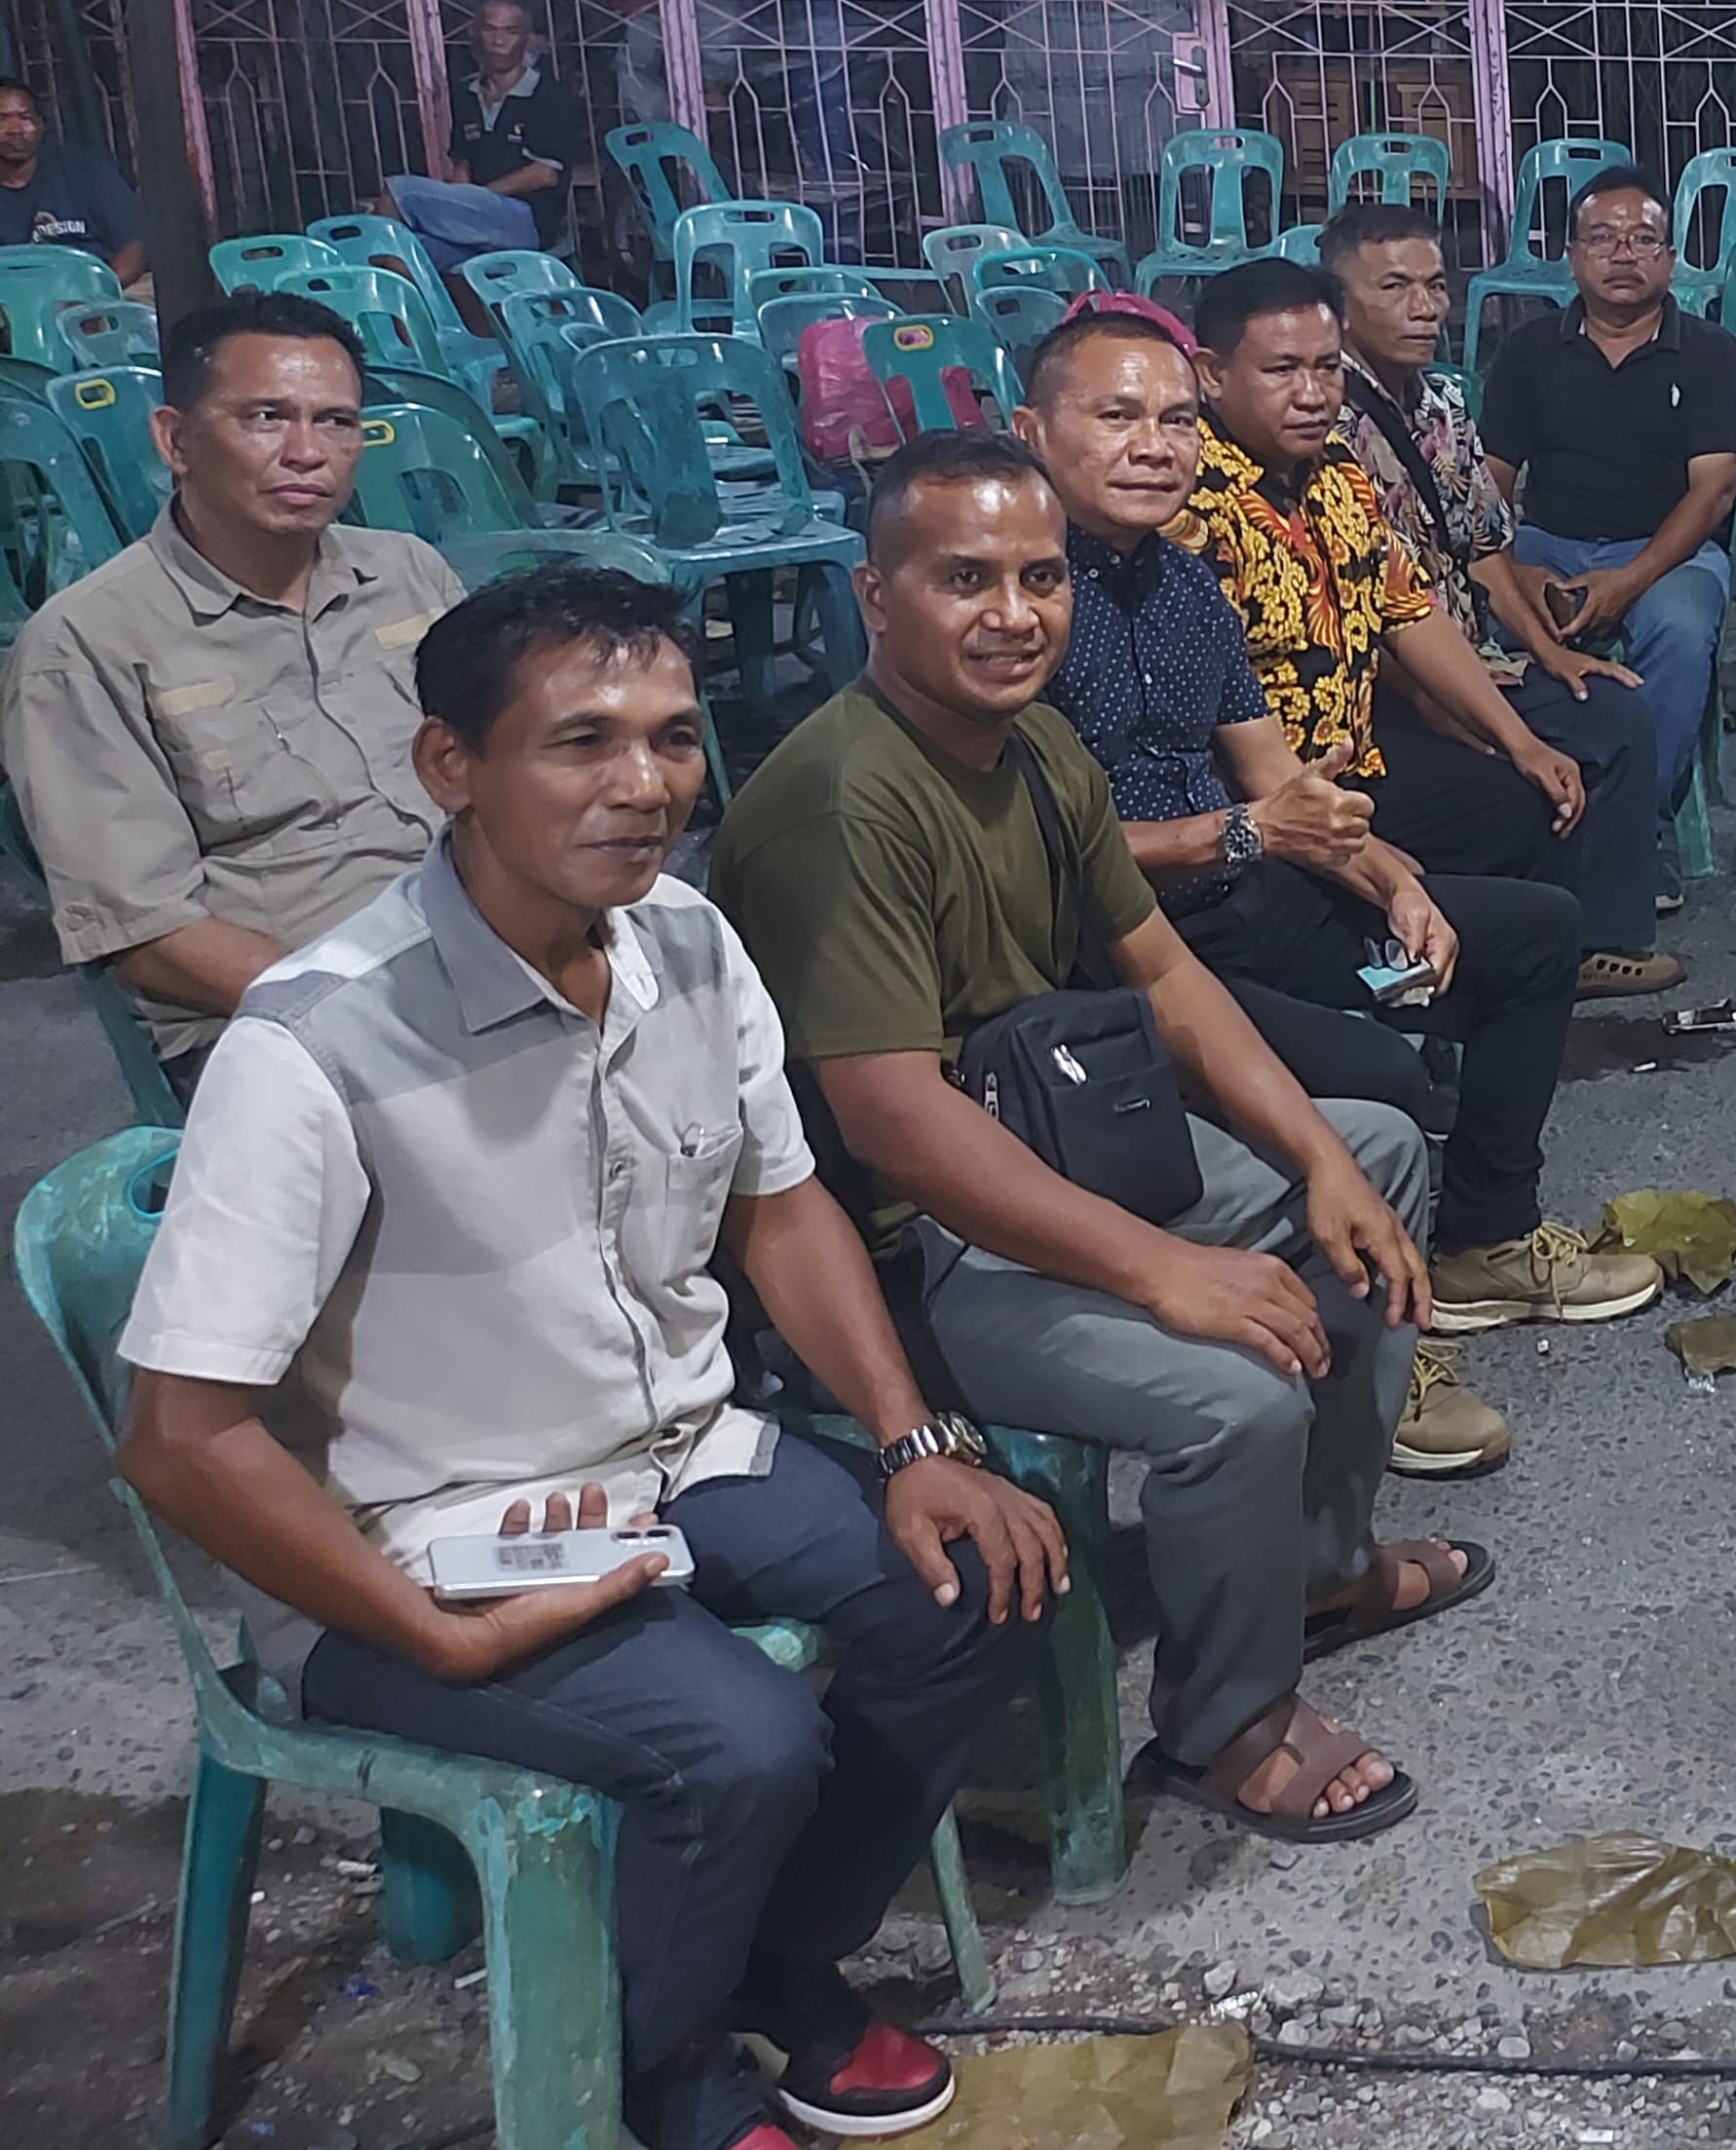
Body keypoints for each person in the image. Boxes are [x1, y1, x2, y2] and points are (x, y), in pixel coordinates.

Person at [114, 566, 1065, 2150]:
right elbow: (178, 1437)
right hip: (418, 1527)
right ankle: (656, 2062)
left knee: (979, 1583)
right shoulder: (315, 1040)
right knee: (737, 1743)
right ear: (451, 765)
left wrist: (914, 1440)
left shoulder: (686, 939)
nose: (645, 782)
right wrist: (430, 1631)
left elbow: (782, 1207)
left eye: (674, 735)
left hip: (675, 1451)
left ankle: (767, 1956)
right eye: (581, 741)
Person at [707, 435, 1469, 1850]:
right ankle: (1227, 1720)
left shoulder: (1035, 743)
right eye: (965, 580)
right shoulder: (841, 803)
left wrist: (1316, 1159)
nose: (1014, 614)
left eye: (1040, 578)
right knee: (1230, 1394)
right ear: (875, 596)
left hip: (1051, 1142)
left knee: (1373, 1146)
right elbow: (894, 1123)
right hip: (911, 1252)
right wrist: (1162, 1272)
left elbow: (1163, 972)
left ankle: (1315, 1565)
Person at [1016, 308, 1649, 1454]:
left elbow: (1276, 781)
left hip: (1240, 893)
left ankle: (1482, 1240)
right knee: (1377, 1078)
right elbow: (1045, 847)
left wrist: (1389, 878)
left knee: (1530, 933)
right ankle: (1367, 1365)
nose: (1153, 445)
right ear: (1032, 431)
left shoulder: (1183, 586)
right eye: (1115, 416)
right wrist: (1249, 834)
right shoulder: (1019, 606)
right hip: (1114, 951)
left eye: (1172, 420)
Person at [1173, 258, 1675, 1000]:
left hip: (1356, 758)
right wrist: (1368, 858)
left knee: (1529, 801)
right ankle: (1389, 1003)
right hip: (1254, 797)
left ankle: (1467, 998)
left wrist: (1523, 743)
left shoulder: (1335, 470)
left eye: (1325, 368)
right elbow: (1237, 740)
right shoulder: (1191, 504)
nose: (1312, 393)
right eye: (1282, 370)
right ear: (1212, 374)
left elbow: (1407, 610)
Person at [1, 291, 464, 1072]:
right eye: (265, 418)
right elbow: (150, 935)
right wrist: (388, 1012)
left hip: (479, 954)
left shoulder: (409, 574)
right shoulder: (87, 644)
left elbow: (507, 786)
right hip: (278, 1023)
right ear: (176, 440)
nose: (307, 452)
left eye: (336, 421)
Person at [1320, 206, 1680, 988]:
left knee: (1613, 710)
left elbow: (1484, 550)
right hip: (1396, 684)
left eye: (1434, 286)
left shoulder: (1443, 406)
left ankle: (1603, 941)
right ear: (1341, 307)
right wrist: (1451, 708)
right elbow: (1370, 611)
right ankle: (1503, 957)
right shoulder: (1324, 421)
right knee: (1511, 780)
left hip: (1474, 655)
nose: (1425, 307)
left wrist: (1552, 656)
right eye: (1396, 288)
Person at [1486, 169, 1736, 827]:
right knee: (1470, 617)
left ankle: (1636, 827)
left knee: (1680, 626)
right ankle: (1527, 808)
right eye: (1603, 238)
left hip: (1669, 551)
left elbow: (1714, 492)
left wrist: (1630, 580)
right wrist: (1515, 570)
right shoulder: (1528, 351)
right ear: (1572, 257)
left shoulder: (1712, 354)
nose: (1623, 254)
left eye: (1642, 239)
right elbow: (1489, 482)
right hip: (1548, 541)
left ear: (1670, 258)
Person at [388, 0, 586, 258]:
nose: (498, 41)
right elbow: (463, 165)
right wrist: (460, 203)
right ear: (475, 34)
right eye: (490, 29)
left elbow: (544, 174)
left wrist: (472, 197)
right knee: (408, 255)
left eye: (510, 32)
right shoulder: (467, 94)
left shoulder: (548, 95)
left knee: (400, 192)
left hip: (526, 220)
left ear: (526, 39)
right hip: (476, 217)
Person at [0, 74, 146, 280]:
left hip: (92, 286)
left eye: (25, 118)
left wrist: (101, 292)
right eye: (2, 119)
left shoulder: (85, 169)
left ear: (42, 124)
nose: (15, 130)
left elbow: (134, 243)